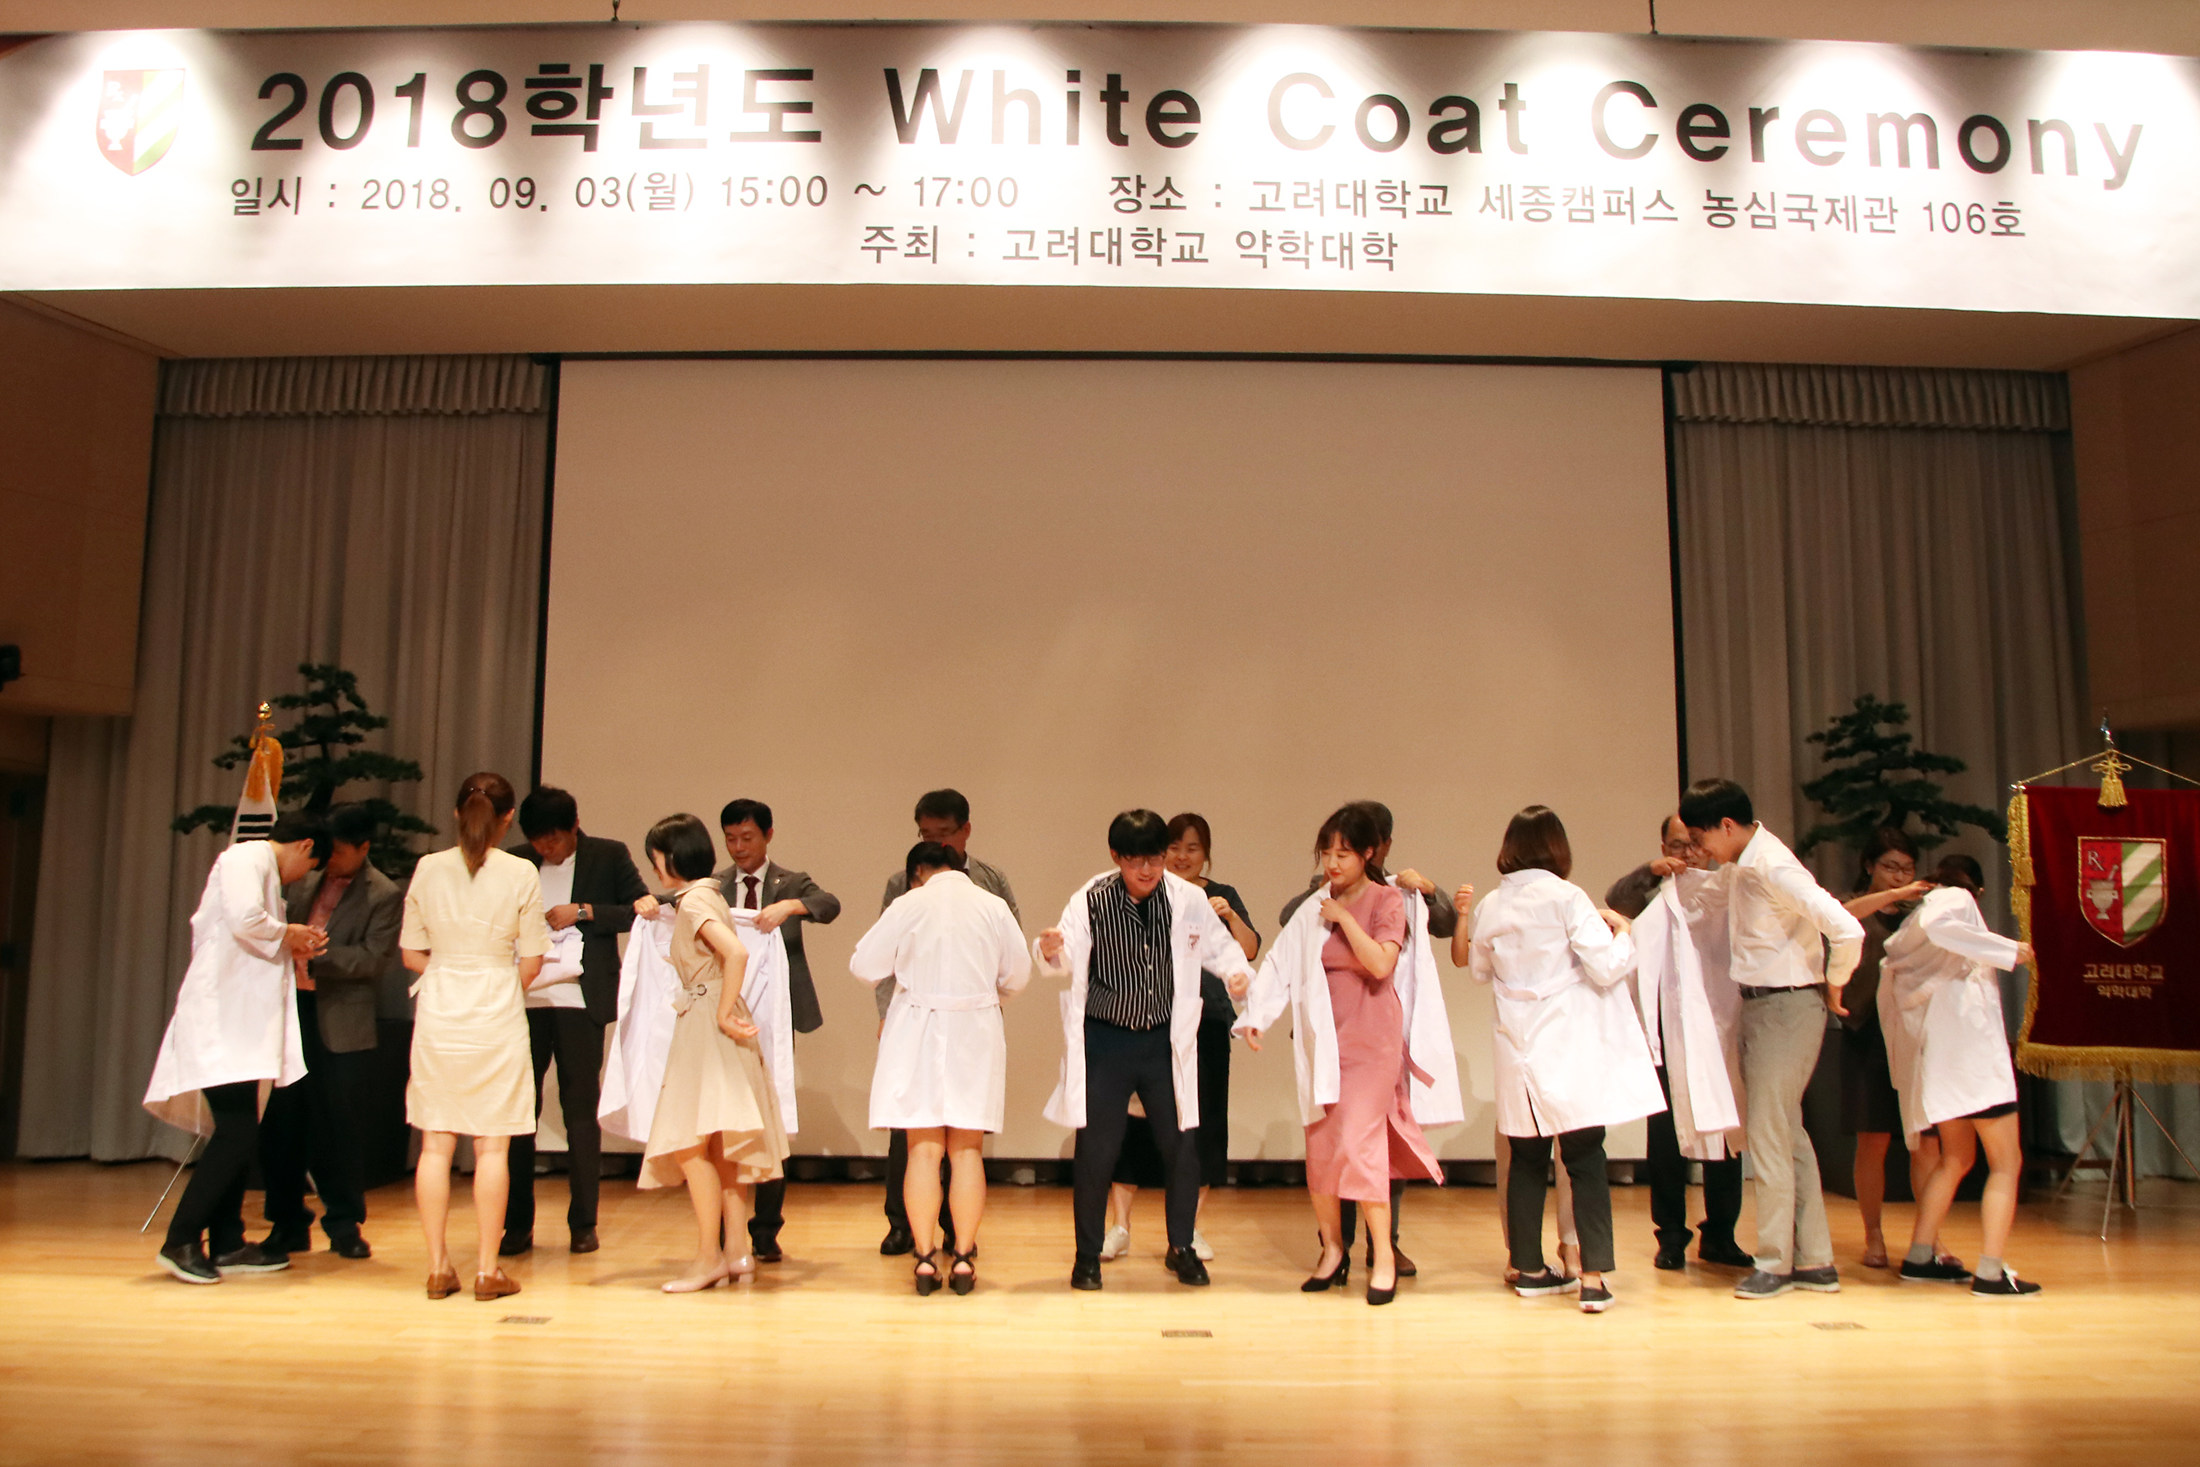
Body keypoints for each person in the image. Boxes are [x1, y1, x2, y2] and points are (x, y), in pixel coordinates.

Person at [1238, 804, 1455, 1307]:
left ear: (1368, 854)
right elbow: (1279, 963)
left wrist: (1344, 921)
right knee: (1322, 1146)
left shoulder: (1386, 900)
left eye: (1344, 854)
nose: (1333, 863)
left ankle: (1383, 1256)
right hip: (1324, 1038)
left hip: (1371, 1040)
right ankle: (1333, 1250)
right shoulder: (1315, 904)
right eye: (1327, 853)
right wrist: (1255, 1016)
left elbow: (1381, 963)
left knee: (1361, 1145)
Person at [1038, 809, 1256, 1291]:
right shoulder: (1091, 898)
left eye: (1155, 859)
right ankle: (1087, 1257)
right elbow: (1064, 955)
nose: (1147, 869)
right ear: (1116, 856)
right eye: (1136, 860)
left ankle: (1181, 1248)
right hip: (1107, 1039)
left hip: (1163, 1040)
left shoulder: (1187, 898)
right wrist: (1052, 950)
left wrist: (1239, 978)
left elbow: (1222, 950)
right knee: (1097, 1150)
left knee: (1182, 1146)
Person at [1665, 777, 1865, 1301]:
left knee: (1769, 1132)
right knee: (1786, 1132)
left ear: (1727, 825)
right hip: (1761, 1006)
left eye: (1700, 837)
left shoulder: (1773, 865)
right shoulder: (1742, 865)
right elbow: (1701, 897)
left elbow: (1847, 927)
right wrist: (1663, 875)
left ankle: (1776, 1263)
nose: (1699, 849)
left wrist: (1835, 981)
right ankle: (1816, 1260)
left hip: (1788, 1004)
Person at [1464, 805, 1659, 1314]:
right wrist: (1624, 932)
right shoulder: (1568, 897)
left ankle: (1529, 1269)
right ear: (1557, 848)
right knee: (1585, 1157)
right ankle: (1592, 1278)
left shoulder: (1491, 905)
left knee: (1527, 1158)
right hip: (1567, 1043)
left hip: (1516, 1046)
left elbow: (1479, 971)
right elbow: (1606, 967)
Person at [145, 814, 330, 1284]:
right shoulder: (245, 858)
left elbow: (251, 936)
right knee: (237, 1132)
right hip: (221, 1024)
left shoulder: (260, 868)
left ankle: (227, 1240)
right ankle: (181, 1239)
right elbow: (246, 920)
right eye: (309, 865)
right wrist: (289, 933)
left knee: (238, 1131)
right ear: (305, 845)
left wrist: (290, 943)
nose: (301, 877)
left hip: (239, 1026)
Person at [850, 841, 1030, 1294]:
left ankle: (926, 1258)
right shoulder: (991, 905)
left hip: (917, 1028)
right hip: (976, 1027)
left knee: (923, 1151)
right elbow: (1018, 975)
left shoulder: (909, 903)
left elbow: (864, 966)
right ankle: (964, 1258)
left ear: (917, 874)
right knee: (967, 1150)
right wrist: (987, 995)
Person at [402, 773, 549, 1302]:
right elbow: (533, 959)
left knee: (435, 1143)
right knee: (493, 1146)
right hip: (496, 1011)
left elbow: (411, 953)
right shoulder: (520, 871)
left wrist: (451, 973)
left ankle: (438, 1267)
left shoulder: (428, 867)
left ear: (456, 812)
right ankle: (487, 1270)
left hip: (440, 1010)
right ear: (509, 818)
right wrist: (496, 983)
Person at [638, 814, 791, 1294]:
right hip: (710, 1016)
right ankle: (736, 1250)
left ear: (670, 857)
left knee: (690, 1141)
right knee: (721, 1144)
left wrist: (723, 1011)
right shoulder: (706, 895)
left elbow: (736, 953)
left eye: (656, 858)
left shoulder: (694, 901)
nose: (654, 868)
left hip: (707, 1020)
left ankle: (709, 1256)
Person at [1102, 812, 1259, 1266]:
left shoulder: (1219, 895)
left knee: (1202, 1124)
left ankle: (1188, 1228)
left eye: (1193, 848)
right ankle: (1120, 1226)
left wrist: (1229, 916)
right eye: (1173, 847)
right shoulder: (1144, 893)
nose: (1182, 856)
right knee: (1132, 1124)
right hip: (1149, 1023)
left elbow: (1248, 950)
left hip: (1207, 1023)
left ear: (1206, 853)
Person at [504, 786, 654, 1258]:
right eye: (538, 841)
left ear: (573, 827)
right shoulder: (515, 862)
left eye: (553, 839)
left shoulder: (606, 855)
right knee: (517, 1114)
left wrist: (584, 912)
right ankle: (516, 1225)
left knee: (580, 1113)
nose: (545, 849)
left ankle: (583, 1223)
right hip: (523, 1001)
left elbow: (640, 909)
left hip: (579, 1001)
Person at [1882, 855, 2041, 1298]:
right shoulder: (1955, 899)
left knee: (1955, 1160)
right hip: (1974, 1060)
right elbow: (1943, 925)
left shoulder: (1914, 922)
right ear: (1979, 890)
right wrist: (2009, 949)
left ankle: (1920, 1255)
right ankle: (1990, 1271)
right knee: (2006, 1164)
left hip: (1945, 1058)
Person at [876, 789, 1020, 1257]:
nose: (935, 842)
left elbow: (1009, 953)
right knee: (913, 1134)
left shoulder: (990, 881)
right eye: (925, 834)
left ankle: (958, 1233)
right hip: (916, 1019)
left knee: (962, 1137)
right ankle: (904, 1226)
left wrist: (987, 1003)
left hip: (972, 1021)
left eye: (944, 833)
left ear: (966, 831)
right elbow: (887, 958)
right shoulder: (904, 881)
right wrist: (887, 1014)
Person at [1604, 814, 1751, 1273]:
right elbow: (1616, 900)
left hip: (1722, 1021)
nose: (1686, 854)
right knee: (1665, 1135)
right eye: (1676, 844)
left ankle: (1721, 1233)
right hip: (1668, 1027)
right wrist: (1651, 871)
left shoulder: (1730, 884)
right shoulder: (1652, 890)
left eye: (1693, 844)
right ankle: (1670, 1235)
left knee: (1725, 1127)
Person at [258, 802, 402, 1261]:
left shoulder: (383, 893)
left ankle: (344, 1225)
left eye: (338, 851)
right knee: (283, 1122)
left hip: (342, 1023)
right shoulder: (304, 875)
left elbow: (375, 959)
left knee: (339, 1128)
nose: (329, 858)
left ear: (363, 847)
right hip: (291, 1012)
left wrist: (317, 952)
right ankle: (286, 1224)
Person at [716, 797, 841, 1263]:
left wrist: (790, 906)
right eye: (731, 839)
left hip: (775, 1011)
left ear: (768, 835)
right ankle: (724, 1228)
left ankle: (766, 1228)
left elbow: (829, 905)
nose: (739, 847)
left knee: (771, 1117)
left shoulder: (790, 881)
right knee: (724, 1118)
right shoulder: (717, 885)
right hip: (726, 1009)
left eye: (747, 838)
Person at [1836, 826, 1955, 1270]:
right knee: (1873, 1140)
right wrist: (1890, 897)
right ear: (1870, 865)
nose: (1900, 875)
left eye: (1907, 868)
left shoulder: (1922, 913)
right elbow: (1838, 922)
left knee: (1926, 1142)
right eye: (1890, 866)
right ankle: (1874, 1234)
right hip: (1865, 1033)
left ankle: (1930, 1236)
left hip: (1915, 1035)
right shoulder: (1852, 908)